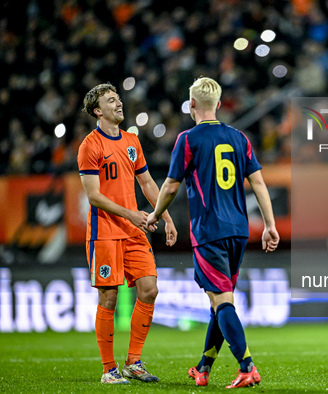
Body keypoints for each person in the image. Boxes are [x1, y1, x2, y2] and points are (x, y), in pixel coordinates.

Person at [146, 77, 280, 388]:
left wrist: (154, 215)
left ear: (191, 104)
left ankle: (247, 367)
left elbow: (170, 185)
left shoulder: (188, 139)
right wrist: (270, 224)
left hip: (209, 231)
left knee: (221, 301)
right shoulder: (239, 138)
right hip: (238, 230)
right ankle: (203, 368)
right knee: (219, 302)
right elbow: (258, 183)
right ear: (219, 105)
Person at [78, 83, 178, 384]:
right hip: (104, 232)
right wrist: (132, 214)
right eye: (111, 100)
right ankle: (109, 370)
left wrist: (165, 216)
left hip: (134, 231)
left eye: (119, 99)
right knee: (109, 298)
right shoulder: (90, 146)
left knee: (149, 289)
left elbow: (147, 183)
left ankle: (134, 362)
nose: (119, 103)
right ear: (98, 111)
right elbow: (94, 196)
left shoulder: (132, 140)